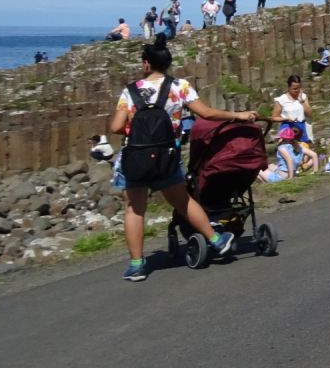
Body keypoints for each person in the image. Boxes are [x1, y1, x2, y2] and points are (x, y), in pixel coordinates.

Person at [107, 35, 250, 280]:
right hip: (167, 157)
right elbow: (206, 113)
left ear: (146, 64)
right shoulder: (179, 86)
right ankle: (216, 240)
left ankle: (137, 265)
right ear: (167, 64)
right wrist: (237, 116)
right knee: (183, 202)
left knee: (134, 209)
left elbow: (115, 127)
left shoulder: (130, 91)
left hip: (136, 158)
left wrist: (136, 130)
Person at [271, 74, 320, 174]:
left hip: (301, 128)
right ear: (289, 87)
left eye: (299, 88)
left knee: (305, 153)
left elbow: (309, 113)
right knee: (289, 152)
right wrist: (286, 119)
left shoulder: (303, 97)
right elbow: (273, 118)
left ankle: (300, 169)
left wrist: (302, 101)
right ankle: (287, 170)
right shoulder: (281, 100)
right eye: (294, 89)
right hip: (288, 128)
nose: (297, 91)